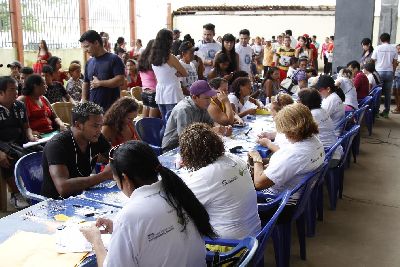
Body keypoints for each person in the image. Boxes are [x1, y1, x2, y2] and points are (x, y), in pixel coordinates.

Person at [80, 141, 216, 267]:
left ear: (125, 178)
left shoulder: (129, 216)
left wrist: (96, 241)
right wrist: (118, 229)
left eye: (116, 180)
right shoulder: (177, 192)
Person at [178, 123, 261, 239]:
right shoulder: (234, 158)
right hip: (255, 233)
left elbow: (178, 205)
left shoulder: (204, 177)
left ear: (190, 154)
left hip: (231, 245)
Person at [248, 103, 325, 209]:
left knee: (234, 191)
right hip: (298, 194)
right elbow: (288, 165)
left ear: (292, 131)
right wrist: (263, 163)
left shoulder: (294, 154)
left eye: (284, 131)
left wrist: (257, 159)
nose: (283, 134)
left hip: (281, 203)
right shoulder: (314, 140)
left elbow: (259, 183)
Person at [41, 102, 111, 199]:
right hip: (58, 202)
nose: (99, 130)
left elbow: (114, 156)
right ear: (78, 125)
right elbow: (63, 188)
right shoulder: (56, 145)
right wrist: (103, 176)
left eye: (101, 126)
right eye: (95, 126)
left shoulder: (96, 137)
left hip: (84, 194)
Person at [0, 76, 39, 209]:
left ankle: (36, 187)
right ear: (1, 93)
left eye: (17, 89)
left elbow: (26, 126)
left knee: (42, 151)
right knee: (9, 158)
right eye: (12, 90)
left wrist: (31, 136)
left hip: (20, 142)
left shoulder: (19, 106)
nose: (16, 92)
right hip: (3, 144)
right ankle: (16, 194)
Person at [162, 80, 232, 152]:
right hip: (173, 148)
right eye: (207, 98)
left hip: (195, 143)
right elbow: (186, 138)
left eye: (210, 98)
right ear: (194, 97)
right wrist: (212, 131)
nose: (209, 101)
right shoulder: (184, 110)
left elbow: (211, 124)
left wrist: (222, 129)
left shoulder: (203, 105)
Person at [80, 30, 125, 112]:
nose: (85, 50)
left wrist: (100, 83)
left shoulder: (114, 59)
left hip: (111, 109)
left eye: (87, 46)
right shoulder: (89, 62)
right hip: (93, 110)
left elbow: (120, 80)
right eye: (83, 47)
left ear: (96, 43)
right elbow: (86, 83)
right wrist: (83, 100)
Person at [150, 29, 188, 122]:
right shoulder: (170, 57)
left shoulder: (153, 56)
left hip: (161, 91)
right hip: (172, 92)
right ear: (169, 41)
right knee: (174, 124)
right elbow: (185, 73)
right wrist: (175, 73)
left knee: (165, 122)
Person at [298, 88, 343, 166]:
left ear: (306, 103)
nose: (297, 102)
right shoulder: (322, 110)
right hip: (335, 151)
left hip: (328, 156)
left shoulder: (311, 116)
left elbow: (298, 136)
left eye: (299, 100)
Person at [371, 32, 398, 118]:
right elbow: (394, 63)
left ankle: (377, 112)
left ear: (380, 40)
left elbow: (373, 60)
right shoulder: (394, 49)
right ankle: (386, 112)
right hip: (389, 72)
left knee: (378, 92)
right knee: (387, 93)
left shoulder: (378, 48)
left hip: (379, 72)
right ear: (389, 39)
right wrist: (393, 72)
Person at [137, 39, 160, 118]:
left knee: (144, 121)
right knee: (152, 122)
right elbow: (157, 79)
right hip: (154, 91)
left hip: (144, 92)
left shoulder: (142, 60)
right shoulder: (154, 61)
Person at [393, 44, 400, 113]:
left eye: (399, 49)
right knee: (395, 92)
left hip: (399, 76)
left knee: (398, 92)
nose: (398, 50)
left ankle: (399, 108)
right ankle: (397, 106)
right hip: (395, 76)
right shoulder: (395, 56)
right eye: (397, 49)